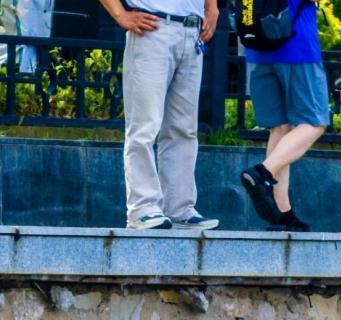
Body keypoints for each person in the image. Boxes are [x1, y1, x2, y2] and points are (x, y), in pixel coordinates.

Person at [100, 0, 221, 231]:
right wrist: (120, 15)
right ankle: (142, 208)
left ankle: (180, 209)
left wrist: (211, 7)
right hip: (152, 27)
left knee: (184, 128)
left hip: (192, 31)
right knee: (144, 126)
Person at [238, 0, 328, 232]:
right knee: (315, 122)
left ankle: (282, 213)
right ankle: (262, 173)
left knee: (280, 128)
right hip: (297, 46)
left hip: (258, 48)